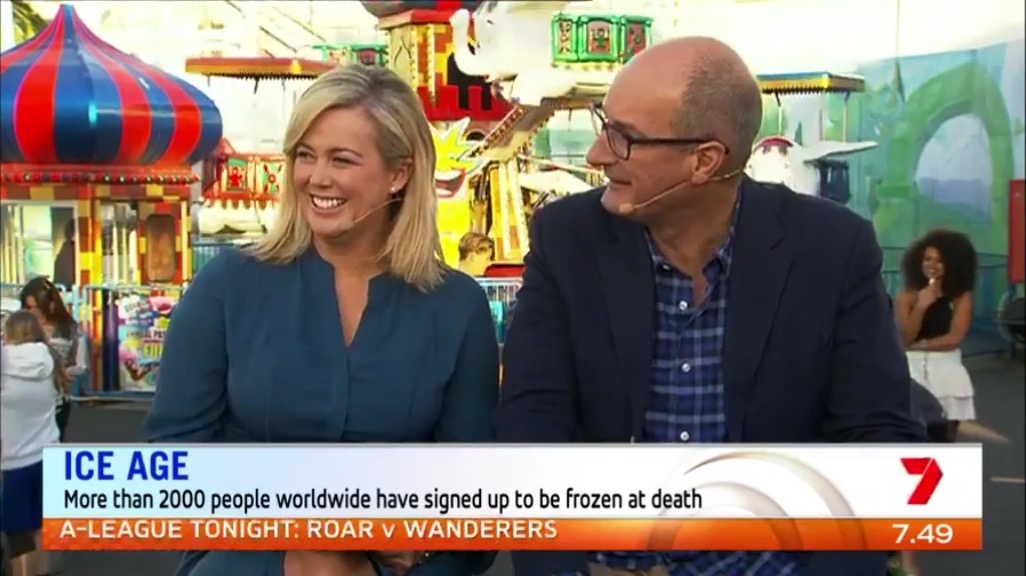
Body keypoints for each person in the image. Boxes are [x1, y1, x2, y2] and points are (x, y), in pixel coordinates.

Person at [499, 37, 925, 576]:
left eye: (623, 138)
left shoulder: (833, 249)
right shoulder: (567, 238)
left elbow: (877, 435)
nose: (596, 155)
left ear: (703, 161)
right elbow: (532, 418)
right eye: (604, 125)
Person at [144, 64, 499, 576]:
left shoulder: (456, 307)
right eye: (305, 156)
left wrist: (419, 546)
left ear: (399, 174)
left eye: (342, 159)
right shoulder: (227, 285)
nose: (317, 177)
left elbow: (476, 503)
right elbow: (171, 461)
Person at [1, 311, 69, 576]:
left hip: (14, 459)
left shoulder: (5, 363)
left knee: (18, 532)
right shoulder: (49, 360)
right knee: (41, 525)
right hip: (48, 452)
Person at [19, 277, 84, 442]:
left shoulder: (70, 329)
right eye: (27, 307)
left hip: (57, 401)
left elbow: (81, 365)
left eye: (36, 307)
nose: (31, 312)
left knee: (52, 443)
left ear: (51, 305)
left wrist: (62, 372)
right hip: (25, 400)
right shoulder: (20, 328)